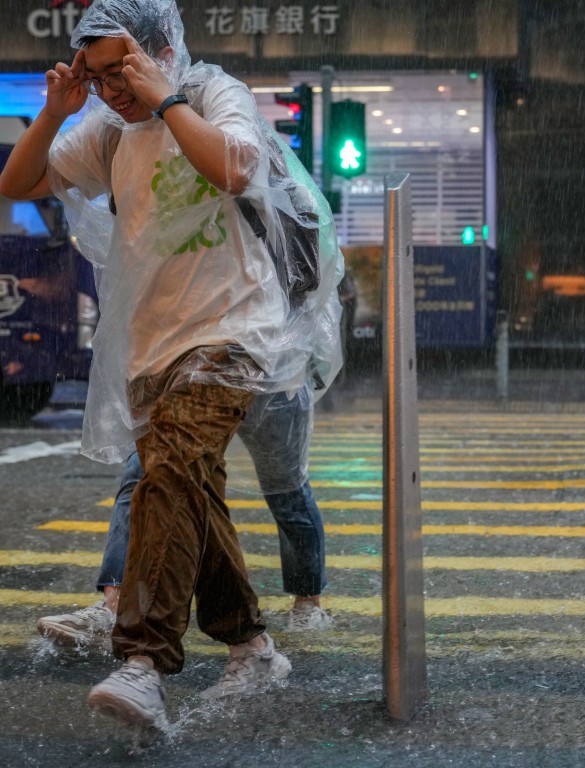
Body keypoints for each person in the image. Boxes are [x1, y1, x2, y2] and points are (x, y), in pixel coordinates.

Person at [0, 0, 343, 731]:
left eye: (118, 68)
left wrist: (164, 97)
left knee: (168, 476)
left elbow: (235, 166)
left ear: (160, 50)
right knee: (191, 489)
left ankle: (144, 660)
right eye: (94, 76)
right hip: (153, 343)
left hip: (232, 332)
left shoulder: (213, 92)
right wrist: (59, 111)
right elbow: (19, 184)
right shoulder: (103, 129)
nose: (110, 90)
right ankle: (251, 644)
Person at [37, 384, 333, 649]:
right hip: (196, 369)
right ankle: (115, 605)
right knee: (144, 472)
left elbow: (311, 325)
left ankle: (306, 601)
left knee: (287, 492)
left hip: (271, 376)